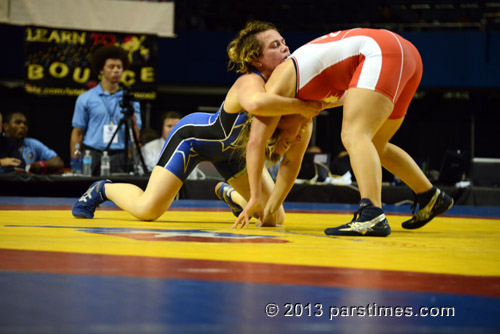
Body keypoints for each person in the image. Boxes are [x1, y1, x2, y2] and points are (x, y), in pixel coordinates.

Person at [72, 21, 320, 223]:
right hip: (193, 140)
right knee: (148, 210)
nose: (286, 49)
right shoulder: (249, 81)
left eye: (284, 42)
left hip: (236, 154)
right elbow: (256, 104)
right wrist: (305, 106)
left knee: (274, 218)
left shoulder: (284, 88)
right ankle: (102, 189)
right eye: (275, 46)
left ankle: (230, 194)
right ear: (257, 60)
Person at [234, 28, 453, 236]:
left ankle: (371, 214)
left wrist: (254, 197)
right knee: (374, 144)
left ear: (278, 123)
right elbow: (291, 164)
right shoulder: (303, 111)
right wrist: (271, 209)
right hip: (407, 56)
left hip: (381, 52)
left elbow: (255, 142)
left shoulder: (279, 85)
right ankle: (429, 195)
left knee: (353, 135)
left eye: (287, 140)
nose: (298, 139)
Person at [70, 45, 142, 176]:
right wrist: (75, 162)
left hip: (119, 155)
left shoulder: (130, 100)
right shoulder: (86, 98)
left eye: (119, 67)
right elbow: (78, 132)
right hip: (92, 153)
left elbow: (136, 132)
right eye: (111, 67)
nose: (116, 71)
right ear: (101, 70)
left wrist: (133, 158)